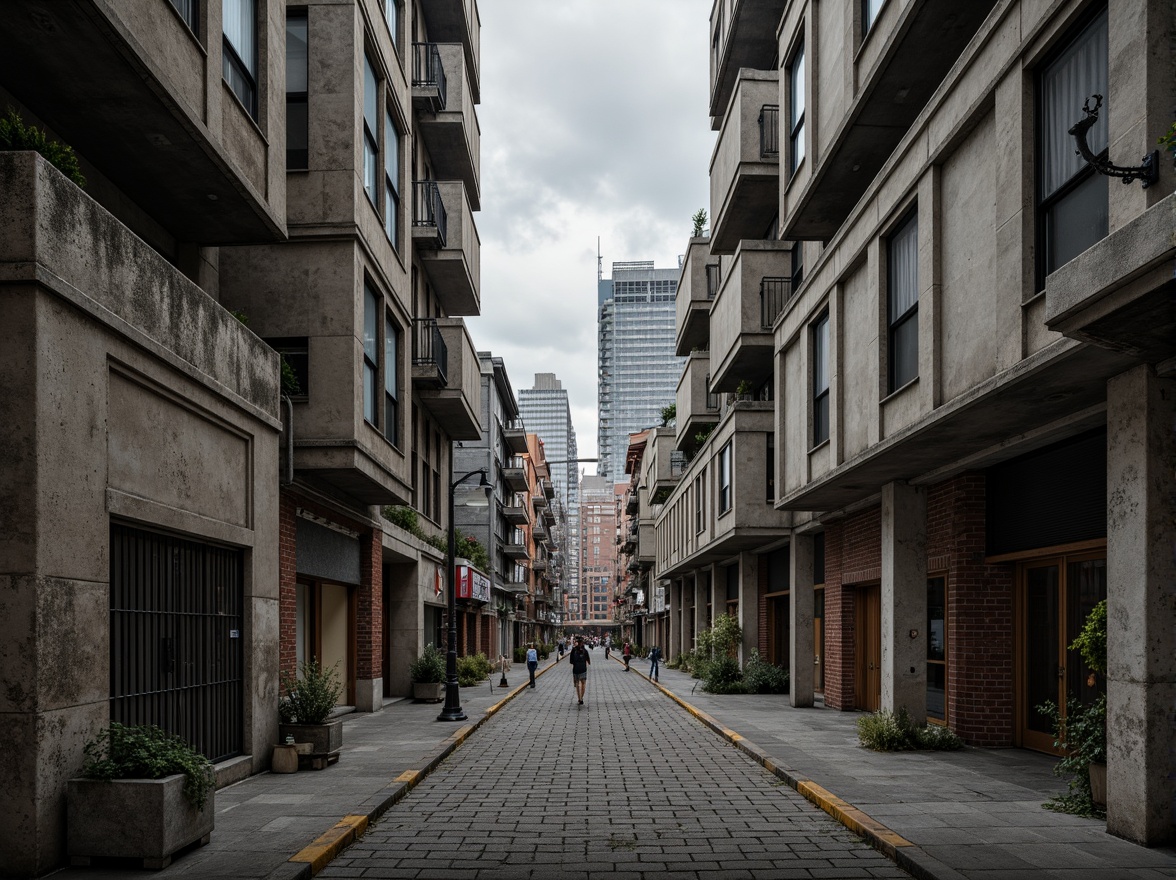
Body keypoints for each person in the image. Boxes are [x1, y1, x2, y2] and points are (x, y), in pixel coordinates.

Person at [569, 636, 591, 706]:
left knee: (577, 684)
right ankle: (581, 698)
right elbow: (589, 661)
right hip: (583, 669)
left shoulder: (573, 650)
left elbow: (571, 661)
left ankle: (579, 698)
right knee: (583, 683)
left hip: (576, 669)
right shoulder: (585, 651)